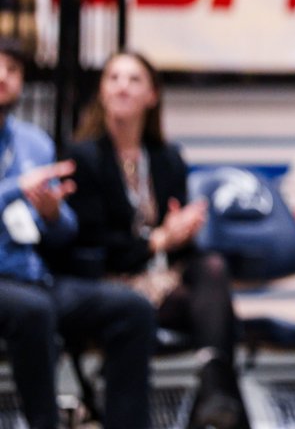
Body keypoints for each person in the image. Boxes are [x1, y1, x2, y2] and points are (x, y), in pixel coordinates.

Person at [46, 50, 248, 429]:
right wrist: (158, 241)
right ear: (101, 92)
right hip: (107, 283)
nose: (122, 87)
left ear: (152, 95)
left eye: (134, 79)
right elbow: (92, 247)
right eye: (113, 78)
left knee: (212, 267)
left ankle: (214, 392)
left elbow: (180, 250)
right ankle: (219, 398)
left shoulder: (168, 157)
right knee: (215, 313)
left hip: (161, 281)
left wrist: (183, 231)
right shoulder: (82, 157)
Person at [0, 37, 156, 429]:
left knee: (131, 308)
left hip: (35, 277)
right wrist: (18, 187)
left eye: (13, 70)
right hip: (11, 289)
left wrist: (53, 215)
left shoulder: (33, 142)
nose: (3, 77)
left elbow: (64, 232)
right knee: (32, 311)